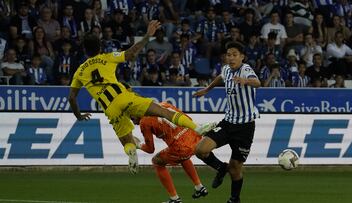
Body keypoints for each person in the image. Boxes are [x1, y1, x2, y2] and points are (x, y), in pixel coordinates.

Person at [68, 20, 215, 174]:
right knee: (163, 112)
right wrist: (146, 36)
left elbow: (72, 97)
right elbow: (131, 53)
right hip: (123, 97)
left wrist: (78, 116)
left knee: (127, 140)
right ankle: (198, 128)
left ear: (85, 50)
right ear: (99, 47)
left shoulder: (79, 71)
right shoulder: (107, 57)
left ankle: (131, 152)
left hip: (109, 108)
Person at [193, 42, 260, 203]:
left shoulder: (246, 69)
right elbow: (220, 78)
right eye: (228, 54)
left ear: (242, 57)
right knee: (200, 150)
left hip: (245, 126)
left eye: (234, 54)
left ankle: (234, 199)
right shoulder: (226, 70)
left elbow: (257, 82)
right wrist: (207, 89)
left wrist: (245, 81)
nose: (230, 58)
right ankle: (222, 168)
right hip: (228, 122)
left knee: (236, 168)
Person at [132, 102, 208, 203]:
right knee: (182, 156)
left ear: (138, 112)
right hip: (195, 136)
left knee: (157, 161)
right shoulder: (164, 104)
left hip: (182, 147)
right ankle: (199, 187)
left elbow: (150, 149)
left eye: (132, 118)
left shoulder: (144, 122)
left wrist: (138, 145)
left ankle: (174, 199)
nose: (133, 122)